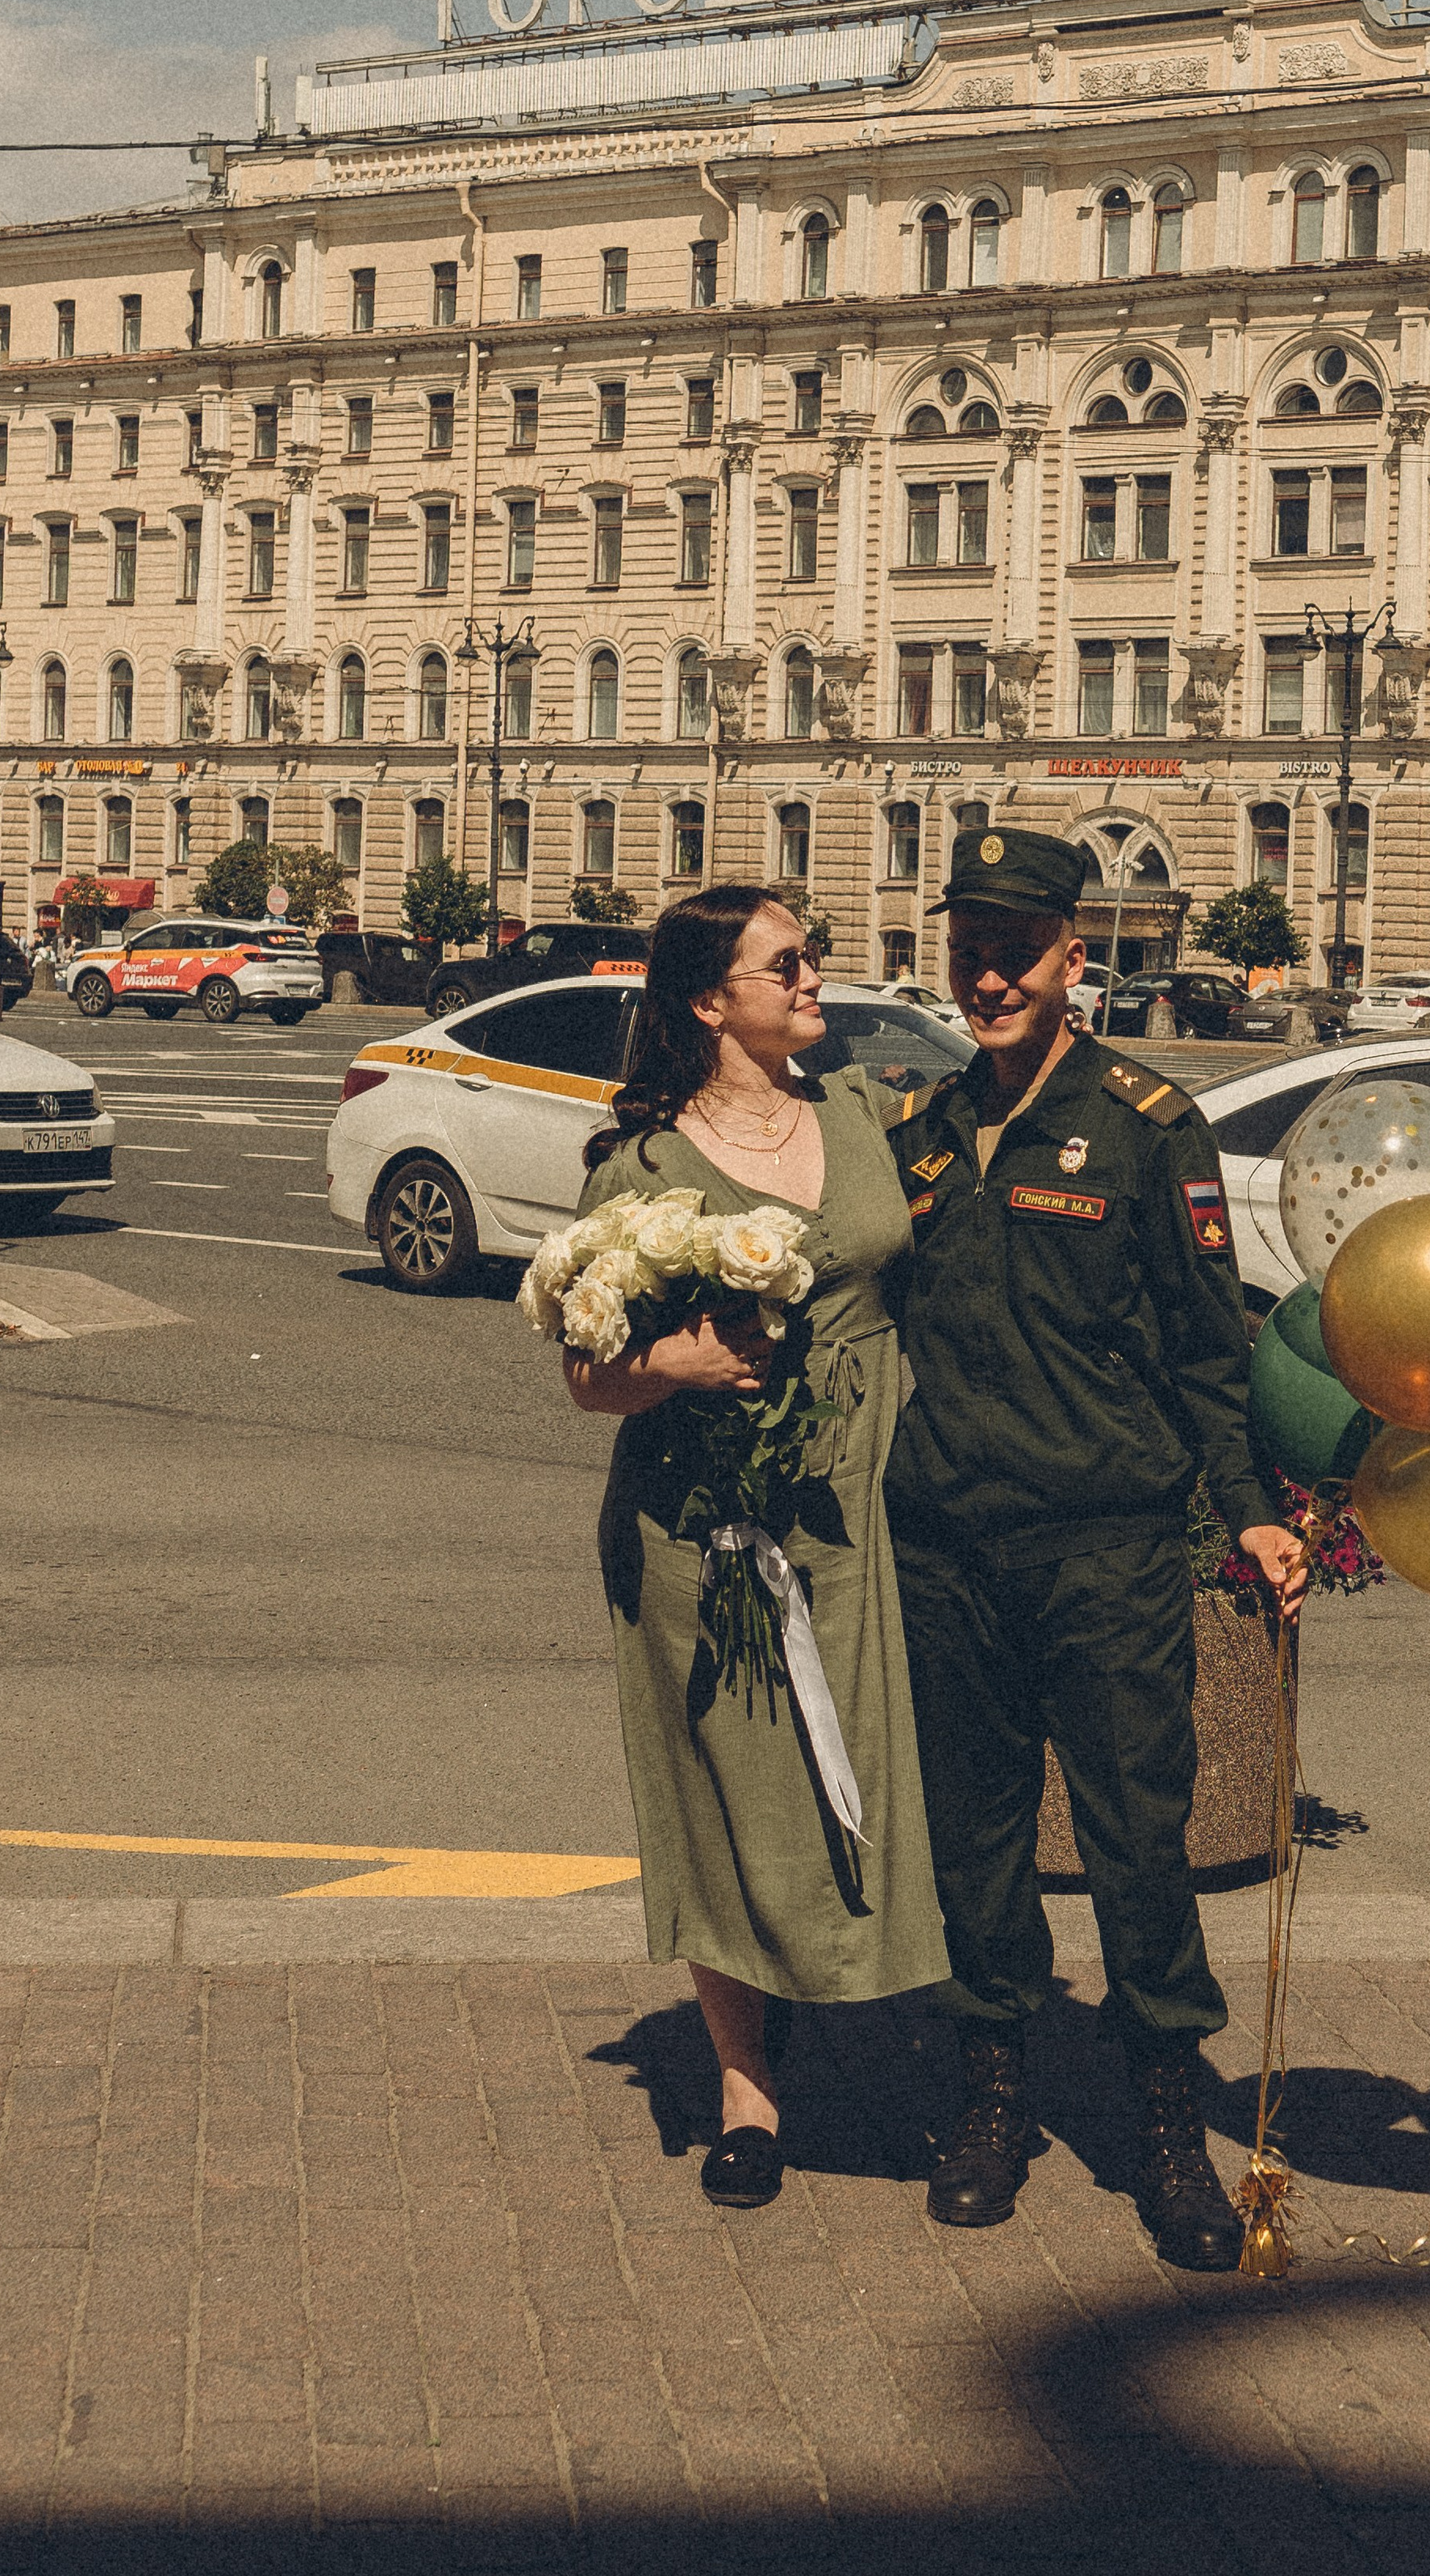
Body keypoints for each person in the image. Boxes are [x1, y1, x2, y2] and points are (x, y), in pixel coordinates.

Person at [885, 828, 1305, 2273]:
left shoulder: (1144, 1123)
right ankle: (991, 2097)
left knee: (1138, 1835)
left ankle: (1165, 2124)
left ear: (1078, 956)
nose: (989, 972)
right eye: (970, 945)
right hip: (946, 1539)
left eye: (1018, 947)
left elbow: (1204, 1346)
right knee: (977, 1838)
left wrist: (1247, 1502)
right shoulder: (922, 1129)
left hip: (1104, 1545)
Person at [565, 884, 949, 2210]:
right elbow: (589, 1375)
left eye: (815, 958)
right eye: (789, 963)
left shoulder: (861, 1112)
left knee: (884, 1777)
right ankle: (748, 2093)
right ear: (707, 1000)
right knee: (723, 1797)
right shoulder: (644, 1167)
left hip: (868, 1504)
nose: (816, 979)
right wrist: (671, 1357)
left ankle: (901, 2029)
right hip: (704, 1527)